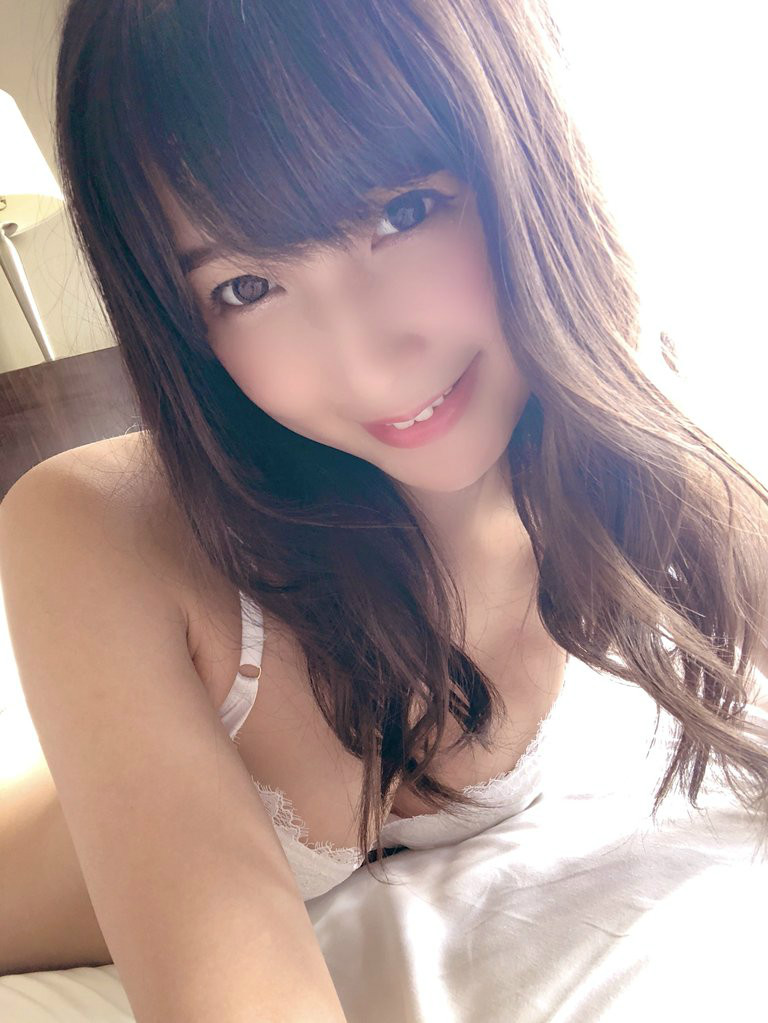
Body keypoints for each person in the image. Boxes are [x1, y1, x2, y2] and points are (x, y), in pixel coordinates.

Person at [1, 0, 767, 1019]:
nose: (365, 362)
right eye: (247, 285)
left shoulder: (632, 427)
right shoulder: (97, 529)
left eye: (403, 212)